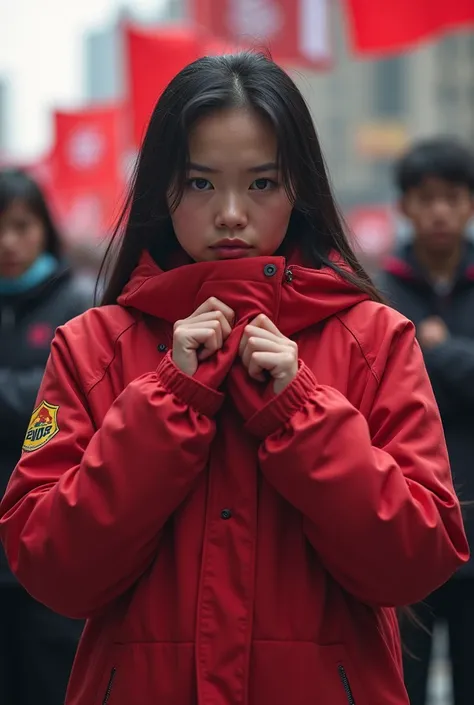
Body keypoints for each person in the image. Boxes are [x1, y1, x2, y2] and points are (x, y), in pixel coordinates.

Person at [0, 53, 469, 705]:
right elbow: (50, 568)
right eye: (199, 183)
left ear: (299, 185)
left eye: (261, 184)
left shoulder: (375, 338)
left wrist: (301, 413)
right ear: (161, 188)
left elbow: (417, 558)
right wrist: (166, 403)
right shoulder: (91, 346)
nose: (229, 213)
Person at [378, 138, 474, 705]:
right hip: (408, 524)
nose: (439, 210)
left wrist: (436, 350)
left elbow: (411, 369)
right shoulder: (380, 291)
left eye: (452, 197)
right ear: (406, 206)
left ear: (468, 205)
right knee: (402, 689)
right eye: (426, 198)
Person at [0, 168, 89, 704]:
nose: (8, 242)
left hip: (47, 537)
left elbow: (56, 402)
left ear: (44, 229)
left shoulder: (76, 302)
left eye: (21, 225)